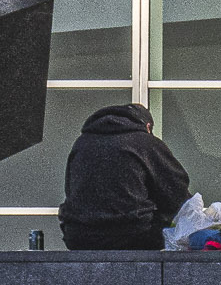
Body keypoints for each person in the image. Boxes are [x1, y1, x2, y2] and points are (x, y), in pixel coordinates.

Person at [59, 102, 190, 252]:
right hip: (134, 235)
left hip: (79, 237)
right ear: (147, 126)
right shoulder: (145, 143)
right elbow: (176, 192)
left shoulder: (81, 144)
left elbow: (71, 191)